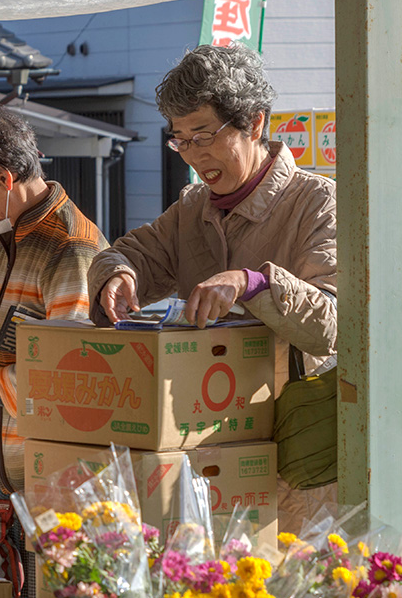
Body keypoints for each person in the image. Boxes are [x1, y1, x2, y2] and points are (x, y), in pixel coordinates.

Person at [87, 43, 337, 530]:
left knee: (297, 584)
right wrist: (115, 275)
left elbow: (332, 322)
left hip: (298, 447)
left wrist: (253, 282)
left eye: (204, 136)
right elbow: (125, 252)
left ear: (255, 123)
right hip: (208, 446)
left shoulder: (317, 202)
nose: (194, 155)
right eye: (179, 140)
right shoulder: (191, 209)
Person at [0, 106, 109, 495]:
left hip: (63, 482)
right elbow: (12, 352)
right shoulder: (10, 242)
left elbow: (70, 373)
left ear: (3, 178)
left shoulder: (69, 246)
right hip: (20, 481)